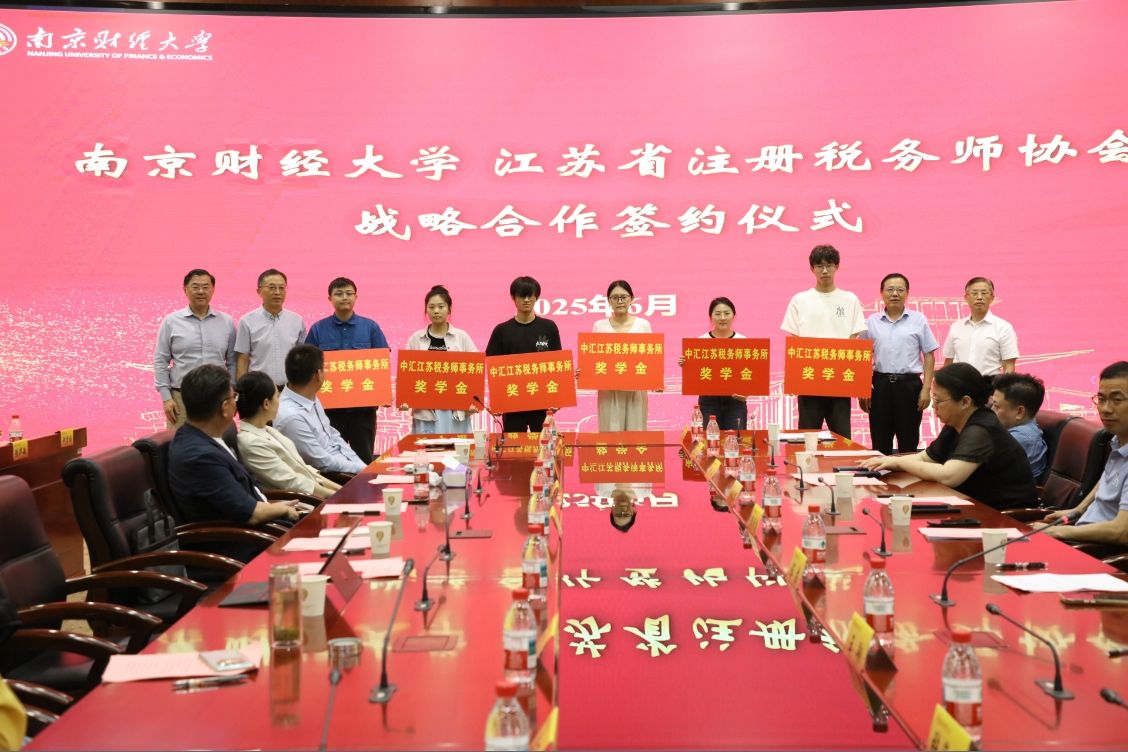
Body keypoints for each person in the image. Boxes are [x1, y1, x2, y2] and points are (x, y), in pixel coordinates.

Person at [861, 363, 1034, 509]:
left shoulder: (981, 428)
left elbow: (948, 476)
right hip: (971, 505)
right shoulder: (956, 422)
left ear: (965, 402)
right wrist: (888, 461)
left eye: (938, 401)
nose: (933, 406)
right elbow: (926, 457)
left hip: (1002, 515)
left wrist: (899, 462)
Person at [167, 364, 300, 526]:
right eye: (234, 397)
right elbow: (251, 514)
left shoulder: (204, 437)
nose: (236, 403)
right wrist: (282, 510)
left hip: (263, 520)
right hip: (244, 537)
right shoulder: (200, 457)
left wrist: (273, 507)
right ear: (224, 407)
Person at [780, 245, 866, 438]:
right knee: (808, 437)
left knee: (842, 438)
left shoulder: (849, 299)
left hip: (840, 380)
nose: (825, 270)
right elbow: (795, 341)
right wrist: (794, 376)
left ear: (837, 267)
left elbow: (853, 340)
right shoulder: (800, 300)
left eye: (829, 265)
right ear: (812, 269)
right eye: (819, 266)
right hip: (809, 379)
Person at [1038, 361, 1128, 545]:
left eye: (1117, 400)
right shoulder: (1117, 442)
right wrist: (1078, 509)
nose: (1105, 409)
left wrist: (1058, 531)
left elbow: (1121, 532)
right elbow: (1108, 480)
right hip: (1081, 533)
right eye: (1101, 399)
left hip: (1096, 550)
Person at [305, 277, 388, 464]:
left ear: (356, 297)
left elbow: (382, 362)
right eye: (339, 294)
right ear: (330, 298)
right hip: (330, 410)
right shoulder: (318, 329)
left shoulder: (370, 327)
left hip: (363, 410)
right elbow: (308, 364)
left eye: (349, 293)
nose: (344, 297)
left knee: (364, 460)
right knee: (333, 461)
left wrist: (383, 393)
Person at [859, 273, 939, 455]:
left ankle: (908, 473)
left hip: (909, 386)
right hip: (880, 386)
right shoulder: (871, 322)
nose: (895, 293)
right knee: (880, 441)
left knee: (909, 440)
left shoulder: (918, 320)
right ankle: (881, 473)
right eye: (890, 289)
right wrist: (862, 389)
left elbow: (929, 355)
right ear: (881, 293)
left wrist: (926, 389)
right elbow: (862, 356)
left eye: (900, 290)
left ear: (907, 293)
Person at [235, 371, 342, 500]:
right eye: (277, 396)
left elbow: (304, 469)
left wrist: (340, 489)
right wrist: (334, 495)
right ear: (266, 404)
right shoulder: (250, 443)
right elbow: (291, 481)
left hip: (313, 492)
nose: (280, 400)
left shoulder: (268, 430)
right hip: (297, 501)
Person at [153, 269, 237, 428]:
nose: (201, 291)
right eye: (195, 287)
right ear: (185, 289)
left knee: (217, 441)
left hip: (217, 398)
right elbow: (160, 360)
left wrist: (231, 392)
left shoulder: (226, 322)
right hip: (181, 398)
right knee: (180, 441)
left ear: (213, 290)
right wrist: (166, 398)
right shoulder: (171, 322)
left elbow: (232, 361)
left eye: (205, 287)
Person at [485, 275, 562, 433]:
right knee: (513, 446)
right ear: (513, 298)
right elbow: (494, 368)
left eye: (530, 296)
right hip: (512, 402)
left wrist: (557, 398)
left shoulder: (548, 327)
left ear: (536, 297)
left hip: (542, 403)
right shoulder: (502, 330)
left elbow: (558, 364)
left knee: (543, 444)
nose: (526, 300)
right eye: (522, 296)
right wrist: (498, 401)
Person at [274, 344, 366, 475]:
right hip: (331, 477)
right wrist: (361, 470)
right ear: (317, 374)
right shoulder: (291, 417)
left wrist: (361, 466)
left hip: (346, 468)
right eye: (324, 368)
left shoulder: (310, 397)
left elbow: (332, 435)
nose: (325, 372)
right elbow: (322, 462)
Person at [400, 284, 478, 434]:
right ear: (426, 310)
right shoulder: (416, 338)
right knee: (427, 448)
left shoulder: (461, 337)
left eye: (441, 307)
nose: (436, 311)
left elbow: (475, 371)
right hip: (426, 411)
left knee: (455, 448)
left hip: (456, 410)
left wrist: (474, 401)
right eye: (431, 307)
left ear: (449, 309)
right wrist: (404, 398)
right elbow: (406, 374)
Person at [678, 297, 748, 430]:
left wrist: (747, 393)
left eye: (727, 313)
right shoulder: (700, 342)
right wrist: (686, 365)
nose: (722, 318)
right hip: (708, 401)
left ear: (734, 315)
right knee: (710, 439)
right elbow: (695, 376)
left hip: (736, 401)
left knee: (735, 439)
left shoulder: (744, 342)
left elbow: (752, 373)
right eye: (717, 314)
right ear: (710, 317)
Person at [593, 280, 651, 432]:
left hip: (636, 391)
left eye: (624, 297)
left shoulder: (643, 325)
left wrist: (655, 379)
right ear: (608, 301)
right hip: (609, 392)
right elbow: (593, 359)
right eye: (615, 297)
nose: (620, 301)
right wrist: (585, 371)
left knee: (636, 436)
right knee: (610, 436)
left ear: (631, 299)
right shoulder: (599, 326)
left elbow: (651, 358)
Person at [235, 268, 306, 388]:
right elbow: (242, 359)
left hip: (290, 388)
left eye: (281, 288)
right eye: (272, 287)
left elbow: (302, 358)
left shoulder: (297, 321)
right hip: (258, 389)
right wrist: (242, 391)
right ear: (259, 291)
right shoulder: (247, 321)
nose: (277, 292)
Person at [942, 277, 1018, 377]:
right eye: (974, 293)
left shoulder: (1004, 328)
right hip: (959, 384)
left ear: (992, 298)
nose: (979, 297)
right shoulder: (956, 327)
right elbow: (948, 362)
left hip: (990, 383)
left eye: (984, 293)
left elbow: (1009, 366)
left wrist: (1003, 386)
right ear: (966, 298)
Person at [991, 372, 1048, 481]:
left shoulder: (1021, 438)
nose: (991, 410)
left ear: (1020, 412)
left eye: (996, 406)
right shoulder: (1020, 428)